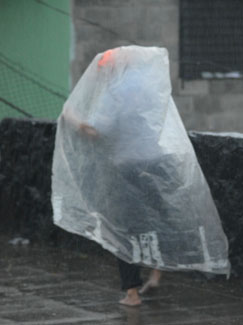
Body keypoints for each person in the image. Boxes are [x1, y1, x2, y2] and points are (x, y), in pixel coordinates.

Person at [52, 46, 230, 307]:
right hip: (156, 163)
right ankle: (157, 270)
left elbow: (96, 129)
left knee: (122, 228)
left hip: (127, 168)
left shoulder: (115, 90)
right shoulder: (148, 85)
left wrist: (72, 117)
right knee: (158, 219)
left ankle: (132, 293)